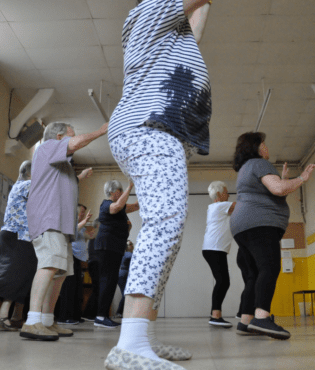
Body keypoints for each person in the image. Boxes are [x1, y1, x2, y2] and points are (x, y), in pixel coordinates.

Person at [104, 0, 212, 368]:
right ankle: (131, 343)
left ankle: (144, 337)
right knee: (165, 221)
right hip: (147, 129)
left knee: (170, 227)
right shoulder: (152, 9)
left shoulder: (172, 32)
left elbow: (197, 24)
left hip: (154, 132)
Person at [21, 121, 108, 341]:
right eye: (71, 135)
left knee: (60, 274)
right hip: (48, 219)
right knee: (49, 265)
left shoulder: (63, 165)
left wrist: (79, 178)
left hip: (62, 226)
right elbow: (76, 143)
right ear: (59, 136)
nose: (74, 137)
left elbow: (57, 183)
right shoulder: (48, 146)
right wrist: (100, 130)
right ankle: (32, 321)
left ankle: (48, 321)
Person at [230, 132, 315, 339]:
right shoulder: (259, 163)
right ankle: (262, 318)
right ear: (257, 147)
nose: (267, 147)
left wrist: (285, 180)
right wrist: (301, 178)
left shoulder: (244, 168)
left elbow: (274, 189)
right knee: (269, 267)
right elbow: (277, 189)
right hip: (260, 223)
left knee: (253, 275)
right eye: (264, 143)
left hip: (242, 226)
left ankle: (246, 321)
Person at [0, 160, 37, 331]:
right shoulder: (28, 185)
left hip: (14, 233)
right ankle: (3, 314)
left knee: (24, 272)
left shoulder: (18, 185)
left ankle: (16, 315)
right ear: (30, 173)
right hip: (19, 234)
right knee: (18, 273)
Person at [85, 180, 139, 328]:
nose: (121, 193)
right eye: (120, 191)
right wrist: (130, 187)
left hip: (114, 249)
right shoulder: (106, 204)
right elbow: (118, 206)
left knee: (110, 281)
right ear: (113, 192)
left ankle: (102, 316)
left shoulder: (119, 207)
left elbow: (135, 206)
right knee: (107, 280)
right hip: (107, 248)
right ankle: (101, 317)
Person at [55, 204, 96, 324]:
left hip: (78, 259)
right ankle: (64, 317)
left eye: (84, 212)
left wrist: (98, 228)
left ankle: (75, 315)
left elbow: (88, 235)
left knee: (77, 288)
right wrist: (85, 221)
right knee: (68, 288)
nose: (83, 214)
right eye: (82, 212)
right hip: (70, 257)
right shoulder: (69, 223)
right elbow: (72, 231)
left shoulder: (82, 227)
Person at [202, 181, 235, 328]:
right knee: (223, 281)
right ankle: (215, 316)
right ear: (220, 194)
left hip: (214, 249)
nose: (228, 194)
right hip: (214, 248)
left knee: (222, 281)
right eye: (226, 192)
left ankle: (214, 315)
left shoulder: (216, 207)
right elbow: (241, 205)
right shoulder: (221, 205)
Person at [117, 239, 134, 317]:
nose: (132, 246)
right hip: (123, 275)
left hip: (123, 275)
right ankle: (119, 312)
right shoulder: (127, 254)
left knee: (126, 294)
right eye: (130, 245)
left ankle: (122, 312)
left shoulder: (123, 253)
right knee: (125, 295)